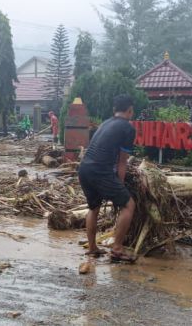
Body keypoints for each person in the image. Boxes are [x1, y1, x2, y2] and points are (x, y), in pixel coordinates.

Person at [78, 94, 137, 262]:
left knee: (93, 208)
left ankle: (92, 248)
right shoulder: (128, 127)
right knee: (129, 204)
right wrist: (121, 185)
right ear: (130, 110)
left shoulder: (105, 123)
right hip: (99, 170)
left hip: (84, 169)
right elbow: (122, 161)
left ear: (114, 110)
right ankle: (117, 249)